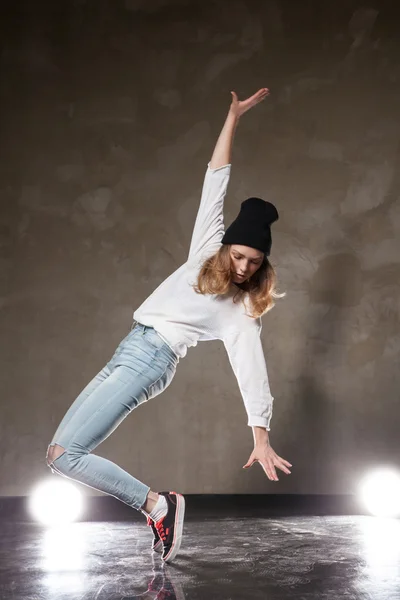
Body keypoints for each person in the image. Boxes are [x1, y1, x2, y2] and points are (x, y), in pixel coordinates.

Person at [46, 87, 292, 563]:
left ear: (264, 265)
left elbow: (251, 370)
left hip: (152, 358)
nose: (243, 268)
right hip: (131, 348)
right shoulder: (205, 250)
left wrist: (260, 436)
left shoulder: (239, 309)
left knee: (66, 455)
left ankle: (160, 505)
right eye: (239, 255)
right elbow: (215, 179)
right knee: (60, 452)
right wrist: (233, 118)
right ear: (226, 248)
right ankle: (159, 506)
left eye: (254, 262)